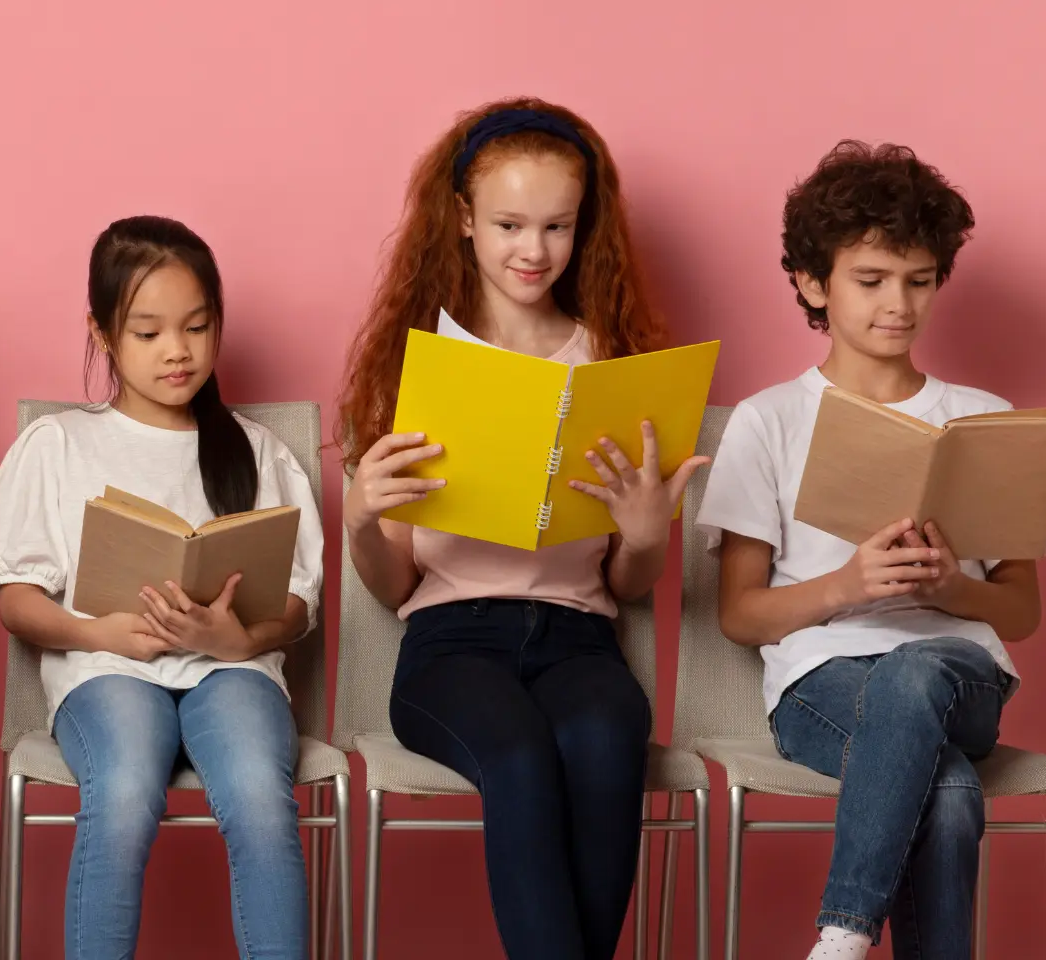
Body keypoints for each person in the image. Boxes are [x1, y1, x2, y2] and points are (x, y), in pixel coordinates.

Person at [336, 98, 699, 958]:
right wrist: (359, 516)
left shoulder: (609, 363)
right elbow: (394, 587)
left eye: (557, 227)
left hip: (579, 639)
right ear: (462, 221)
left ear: (585, 229)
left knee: (612, 744)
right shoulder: (417, 363)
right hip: (451, 646)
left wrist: (646, 531)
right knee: (522, 759)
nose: (532, 251)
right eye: (507, 224)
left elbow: (625, 583)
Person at [697, 140, 1046, 960]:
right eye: (870, 280)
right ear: (812, 282)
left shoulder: (982, 416)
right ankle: (854, 934)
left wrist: (950, 591)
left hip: (959, 678)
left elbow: (1023, 609)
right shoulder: (769, 421)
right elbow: (740, 613)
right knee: (952, 794)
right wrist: (849, 584)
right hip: (821, 685)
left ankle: (842, 932)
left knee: (920, 666)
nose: (898, 303)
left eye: (919, 280)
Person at [0, 215, 324, 959]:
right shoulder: (59, 446)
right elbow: (17, 597)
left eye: (198, 327)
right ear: (103, 332)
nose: (178, 351)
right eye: (148, 333)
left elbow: (297, 603)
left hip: (231, 669)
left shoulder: (258, 453)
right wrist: (98, 632)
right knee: (125, 791)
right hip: (108, 669)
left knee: (261, 801)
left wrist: (238, 638)